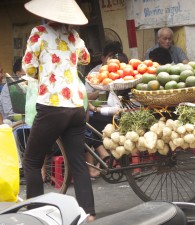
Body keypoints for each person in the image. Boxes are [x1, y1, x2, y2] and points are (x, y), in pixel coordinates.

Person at [21, 0, 96, 222]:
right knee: (78, 162)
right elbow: (86, 58)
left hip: (52, 106)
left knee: (32, 161)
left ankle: (36, 213)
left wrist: (42, 74)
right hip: (75, 106)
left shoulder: (39, 32)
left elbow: (28, 67)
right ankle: (88, 213)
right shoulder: (74, 35)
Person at [85, 43, 127, 178]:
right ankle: (105, 156)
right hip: (115, 116)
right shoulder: (116, 81)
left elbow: (117, 110)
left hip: (118, 118)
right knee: (90, 124)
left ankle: (105, 156)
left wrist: (96, 109)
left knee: (87, 124)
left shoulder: (120, 83)